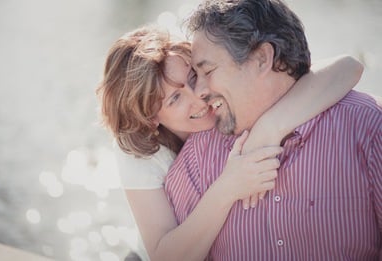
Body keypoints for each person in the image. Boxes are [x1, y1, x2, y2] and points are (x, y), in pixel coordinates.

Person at [97, 24, 364, 260]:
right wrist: (228, 187)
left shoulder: (228, 96)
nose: (198, 95)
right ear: (150, 118)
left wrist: (270, 128)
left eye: (192, 78)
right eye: (174, 99)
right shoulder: (138, 153)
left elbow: (348, 67)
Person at [165, 0, 382, 260]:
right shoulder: (195, 160)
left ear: (262, 58)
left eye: (208, 70)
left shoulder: (367, 129)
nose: (199, 92)